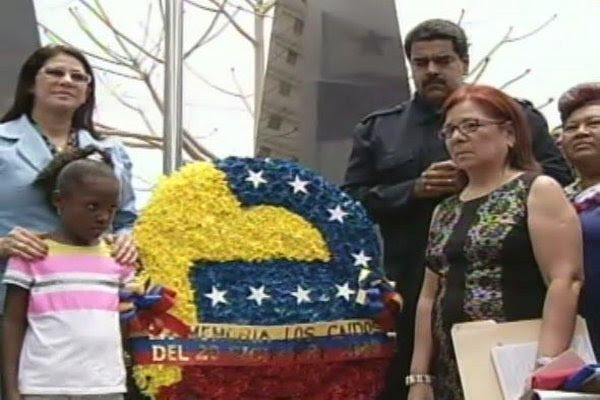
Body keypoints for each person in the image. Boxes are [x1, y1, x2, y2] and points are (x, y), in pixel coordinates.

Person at [341, 19, 572, 399]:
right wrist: (412, 190)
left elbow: (559, 180)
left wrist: (498, 179)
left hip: (513, 285)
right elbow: (350, 203)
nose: (432, 70)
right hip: (414, 285)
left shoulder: (516, 116)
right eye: (421, 63)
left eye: (443, 60)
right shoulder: (379, 129)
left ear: (463, 62)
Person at [406, 85, 583, 400]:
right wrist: (419, 377)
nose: (458, 138)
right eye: (449, 131)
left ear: (509, 133)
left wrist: (546, 369)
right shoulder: (444, 210)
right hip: (455, 367)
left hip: (521, 364)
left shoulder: (537, 189)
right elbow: (428, 297)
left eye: (471, 126)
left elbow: (565, 280)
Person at [0, 44, 138, 397]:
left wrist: (126, 237)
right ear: (31, 83)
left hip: (86, 307)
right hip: (12, 296)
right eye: (56, 72)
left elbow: (126, 217)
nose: (67, 81)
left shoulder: (112, 153)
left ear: (88, 92)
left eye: (78, 77)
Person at [2, 146, 135, 400]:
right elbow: (12, 321)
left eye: (112, 209)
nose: (103, 217)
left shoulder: (118, 257)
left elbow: (130, 317)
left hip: (105, 386)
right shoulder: (32, 253)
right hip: (42, 388)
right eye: (92, 206)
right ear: (59, 201)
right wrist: (11, 389)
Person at [558, 82, 600, 358]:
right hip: (575, 340)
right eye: (571, 128)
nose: (581, 132)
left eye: (594, 123)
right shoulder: (554, 199)